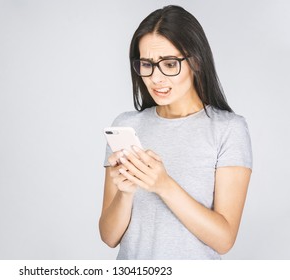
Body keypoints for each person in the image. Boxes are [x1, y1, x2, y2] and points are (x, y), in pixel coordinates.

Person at [99, 5, 252, 260]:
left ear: (196, 61)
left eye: (169, 64)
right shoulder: (127, 126)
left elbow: (224, 240)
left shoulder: (228, 130)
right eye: (146, 64)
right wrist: (125, 194)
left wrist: (164, 185)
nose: (156, 78)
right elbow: (109, 236)